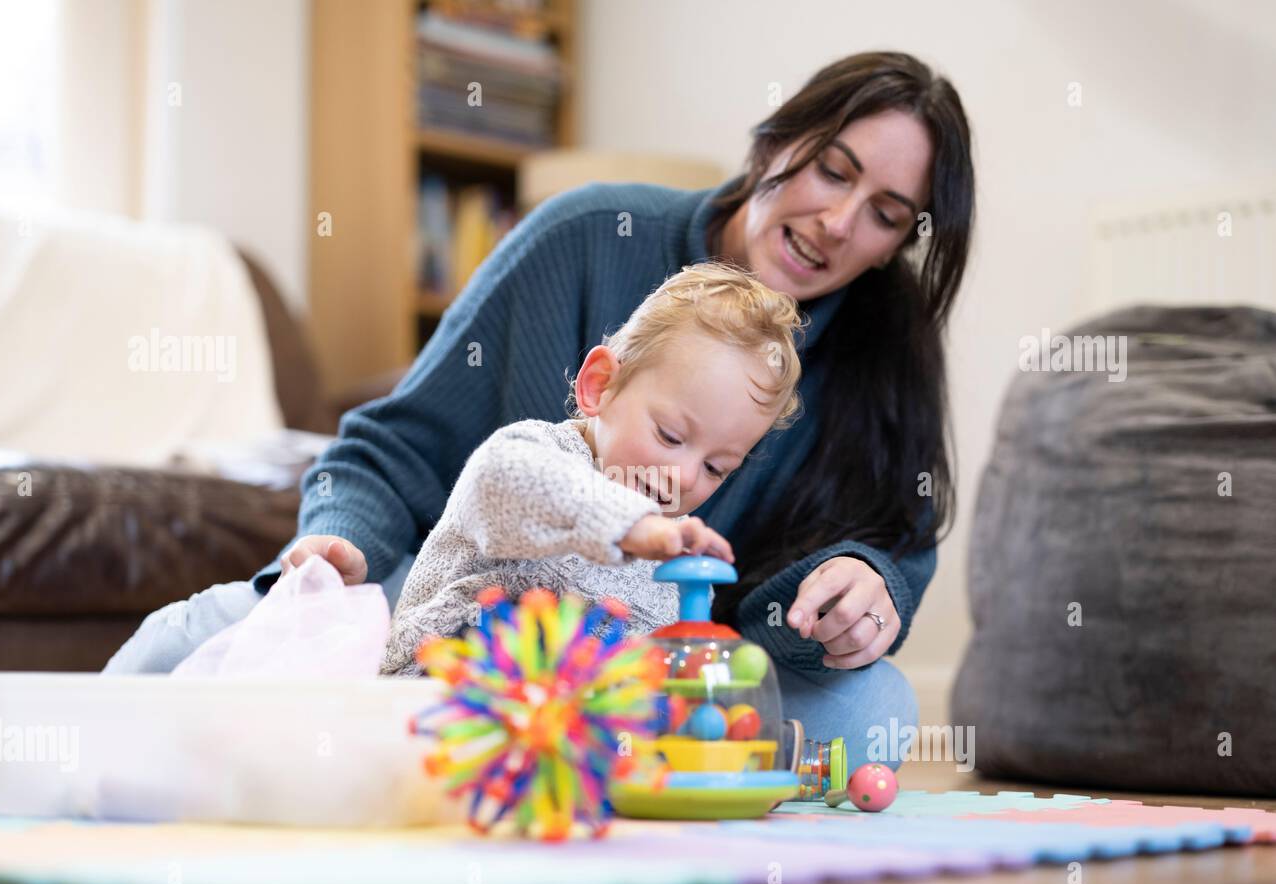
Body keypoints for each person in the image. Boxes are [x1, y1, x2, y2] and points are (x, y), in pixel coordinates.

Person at [106, 51, 975, 773]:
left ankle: (577, 764)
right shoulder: (586, 238)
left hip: (661, 667)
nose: (836, 221)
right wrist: (341, 549)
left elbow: (893, 541)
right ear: (781, 139)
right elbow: (400, 448)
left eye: (886, 215)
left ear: (904, 241)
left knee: (877, 711)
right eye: (833, 170)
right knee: (216, 630)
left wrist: (865, 588)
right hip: (473, 611)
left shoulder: (883, 351)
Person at [381, 261, 801, 675]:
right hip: (435, 691)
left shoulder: (677, 559)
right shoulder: (542, 452)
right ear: (600, 385)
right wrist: (632, 527)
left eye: (715, 468)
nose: (686, 477)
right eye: (670, 436)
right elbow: (500, 478)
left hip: (568, 729)